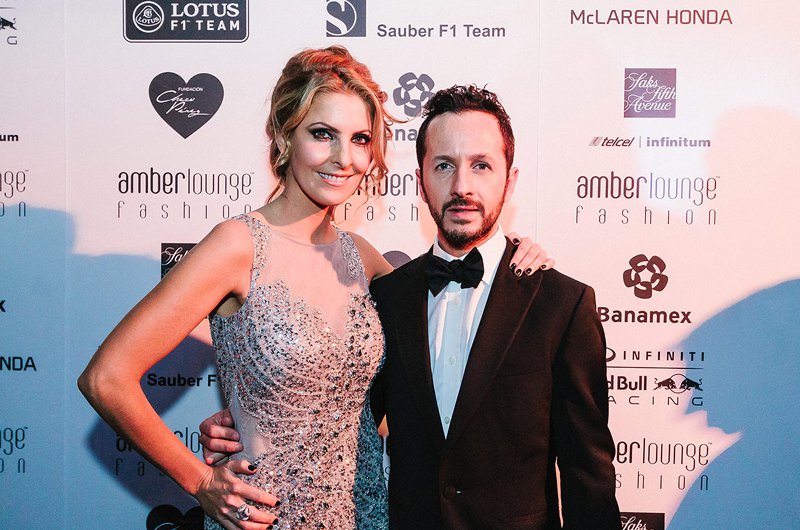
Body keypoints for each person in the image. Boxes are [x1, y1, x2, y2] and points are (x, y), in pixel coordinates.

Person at [78, 48, 551, 530]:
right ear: (285, 137)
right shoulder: (238, 246)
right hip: (266, 518)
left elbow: (438, 344)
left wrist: (509, 254)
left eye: (360, 139)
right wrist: (200, 481)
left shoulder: (363, 258)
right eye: (323, 134)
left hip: (369, 518)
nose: (344, 158)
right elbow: (106, 377)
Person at [202, 84, 620, 529]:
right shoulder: (385, 295)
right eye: (444, 166)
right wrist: (250, 421)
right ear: (420, 182)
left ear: (510, 180)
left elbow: (588, 477)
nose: (462, 187)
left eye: (481, 165)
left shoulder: (562, 305)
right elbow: (342, 407)